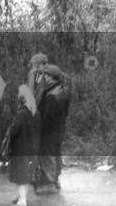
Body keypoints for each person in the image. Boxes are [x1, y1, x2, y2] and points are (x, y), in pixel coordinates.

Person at [35, 64, 70, 193]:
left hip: (49, 131)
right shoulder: (62, 89)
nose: (43, 77)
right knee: (55, 153)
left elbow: (47, 118)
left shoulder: (51, 95)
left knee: (47, 155)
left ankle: (48, 184)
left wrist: (39, 128)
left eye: (45, 75)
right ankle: (55, 180)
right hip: (59, 129)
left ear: (50, 77)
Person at [8, 84, 39, 206]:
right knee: (26, 174)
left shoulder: (21, 114)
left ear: (22, 98)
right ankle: (21, 196)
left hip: (20, 149)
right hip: (32, 148)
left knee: (20, 175)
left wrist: (10, 129)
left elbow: (14, 131)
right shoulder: (36, 112)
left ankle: (22, 200)